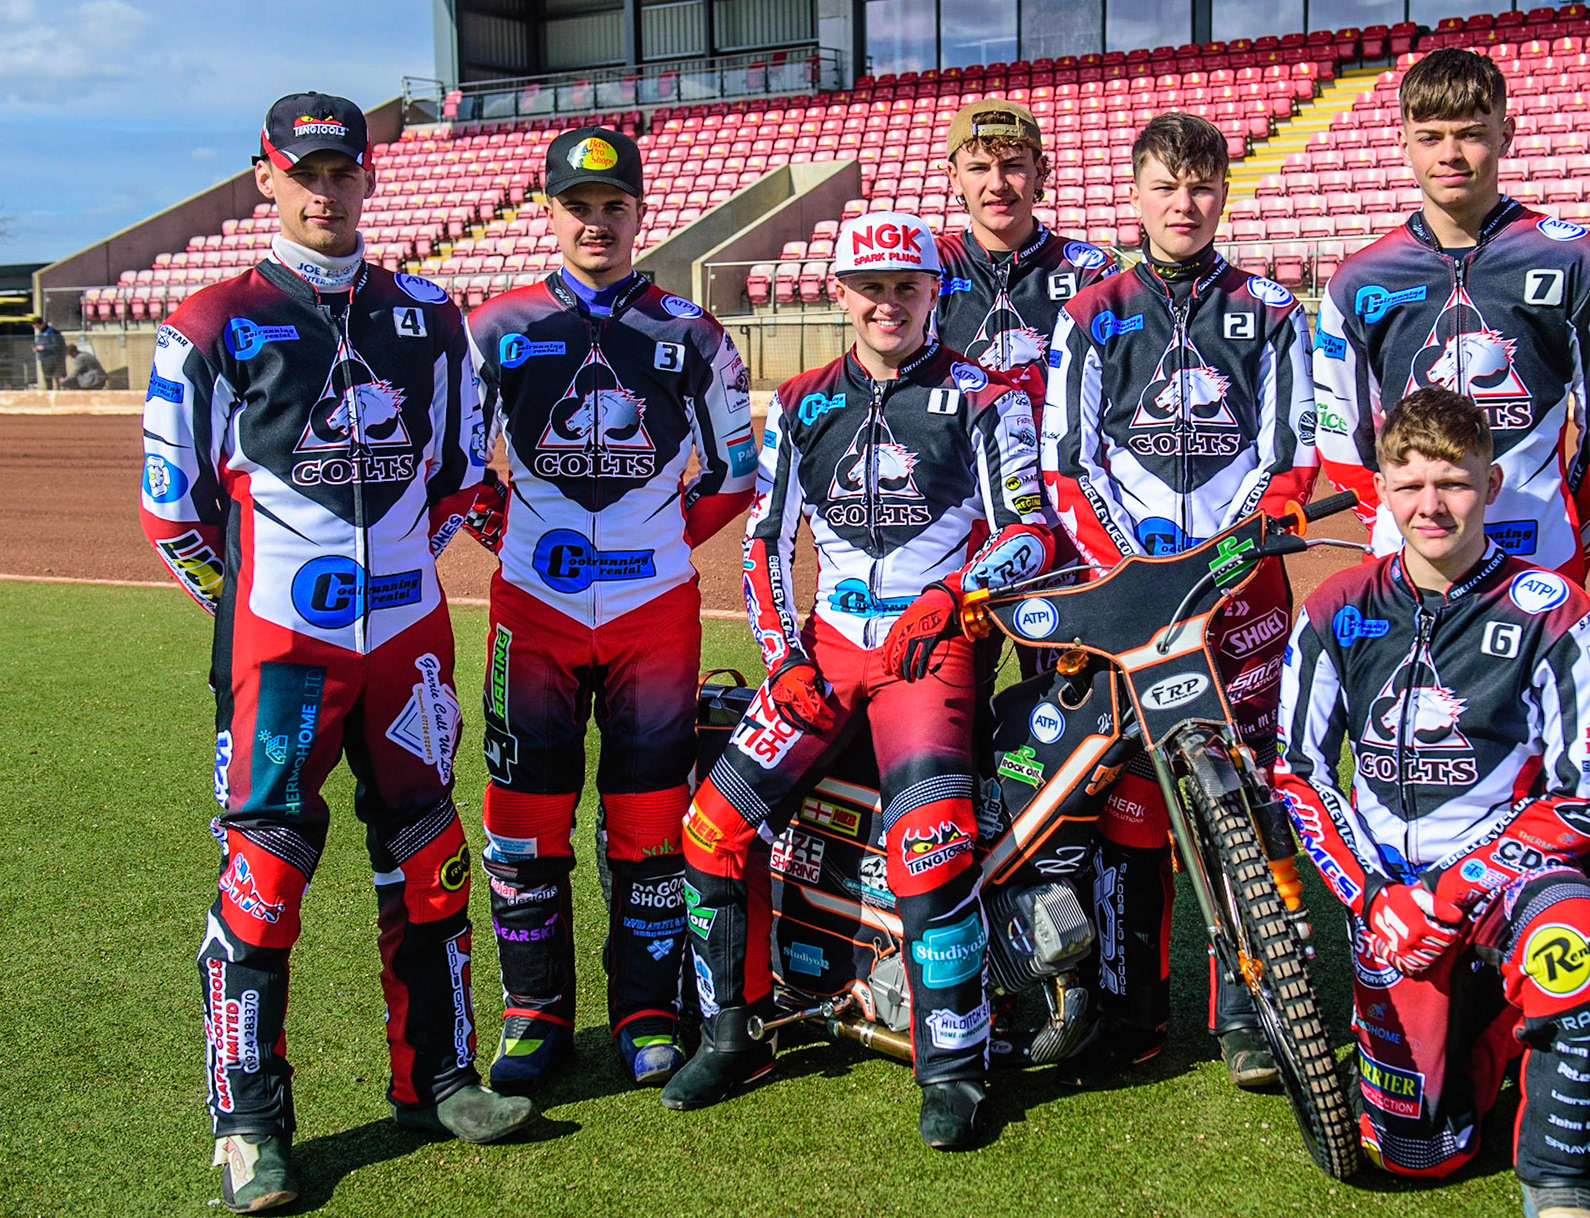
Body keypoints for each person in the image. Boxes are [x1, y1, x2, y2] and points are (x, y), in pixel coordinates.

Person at [138, 91, 534, 1215]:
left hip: (408, 644)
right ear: (265, 176)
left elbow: (463, 475)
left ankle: (441, 1078)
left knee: (431, 856)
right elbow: (173, 514)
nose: (325, 190)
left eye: (342, 171)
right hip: (283, 651)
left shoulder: (428, 313)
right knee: (262, 879)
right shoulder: (210, 321)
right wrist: (254, 618)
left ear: (368, 177)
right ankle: (249, 1127)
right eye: (302, 171)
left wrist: (403, 567)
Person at [665, 211, 1052, 1150]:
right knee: (710, 829)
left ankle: (955, 1065)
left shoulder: (989, 398)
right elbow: (761, 544)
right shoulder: (798, 401)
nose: (887, 302)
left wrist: (958, 591)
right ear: (838, 293)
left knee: (931, 851)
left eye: (905, 286)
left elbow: (1029, 532)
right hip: (827, 649)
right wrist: (784, 655)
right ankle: (734, 1033)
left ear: (934, 294)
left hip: (932, 650)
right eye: (869, 285)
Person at [1272, 388, 1590, 1218]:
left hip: (1510, 882)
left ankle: (1563, 1182)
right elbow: (1300, 772)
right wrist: (1373, 897)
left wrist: (1454, 889)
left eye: (1454, 483)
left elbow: (1585, 796)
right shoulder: (1334, 606)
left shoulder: (1558, 611)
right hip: (1389, 899)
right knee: (1418, 1153)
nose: (1430, 506)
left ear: (1494, 481)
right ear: (1380, 490)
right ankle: (1504, 1035)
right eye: (1409, 484)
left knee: (1582, 958)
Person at [462, 126, 757, 1092]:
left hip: (655, 614)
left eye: (613, 206)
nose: (597, 222)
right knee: (524, 815)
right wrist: (511, 537)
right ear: (549, 213)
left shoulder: (691, 334)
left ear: (640, 214)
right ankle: (533, 1016)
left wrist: (659, 544)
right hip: (532, 611)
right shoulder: (495, 328)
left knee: (650, 818)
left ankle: (644, 1010)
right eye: (578, 207)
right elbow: (457, 468)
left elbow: (735, 470)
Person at [1041, 112, 1318, 1087]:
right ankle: (1132, 1013)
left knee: (1250, 808)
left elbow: (1293, 458)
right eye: (1166, 185)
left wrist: (1226, 562)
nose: (1184, 203)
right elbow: (1062, 464)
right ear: (1136, 192)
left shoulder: (1275, 310)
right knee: (1131, 814)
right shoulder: (1092, 312)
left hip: (1246, 603)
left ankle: (1254, 1013)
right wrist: (1133, 576)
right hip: (1128, 600)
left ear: (1223, 195)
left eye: (1200, 185)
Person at [1313, 48, 1590, 587]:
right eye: (1429, 137)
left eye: (1470, 133)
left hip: (1540, 560)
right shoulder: (1357, 281)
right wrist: (1396, 521)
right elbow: (1342, 435)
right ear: (1403, 143)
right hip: (1402, 566)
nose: (1449, 154)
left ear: (1505, 134)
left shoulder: (1583, 263)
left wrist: (1571, 536)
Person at [933, 98, 1119, 406]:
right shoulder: (932, 267)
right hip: (961, 451)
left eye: (1013, 166)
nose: (997, 184)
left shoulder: (1088, 271)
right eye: (978, 168)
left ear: (1040, 171)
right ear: (954, 178)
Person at [31, 316, 64, 388]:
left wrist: (44, 348)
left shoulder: (50, 332)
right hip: (44, 358)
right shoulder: (41, 333)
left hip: (51, 358)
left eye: (37, 326)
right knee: (46, 377)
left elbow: (56, 345)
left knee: (52, 377)